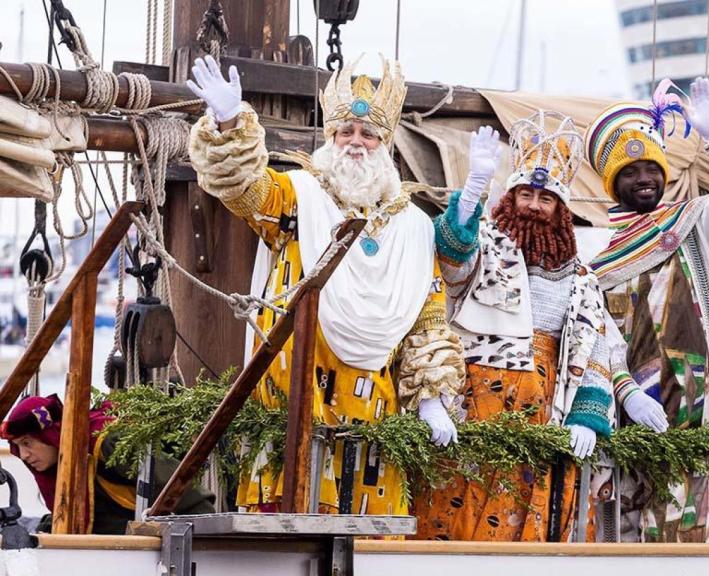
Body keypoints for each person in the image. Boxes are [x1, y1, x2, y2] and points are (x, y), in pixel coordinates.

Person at [185, 54, 465, 515]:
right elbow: (246, 192)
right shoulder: (300, 195)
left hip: (373, 402)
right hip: (295, 388)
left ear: (385, 142)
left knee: (366, 528)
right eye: (345, 132)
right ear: (331, 137)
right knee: (287, 507)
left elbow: (429, 318)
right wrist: (230, 120)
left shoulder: (415, 226)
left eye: (368, 133)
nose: (356, 142)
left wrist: (432, 399)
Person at [415, 111, 640, 542]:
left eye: (546, 199)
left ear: (560, 210)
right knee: (457, 513)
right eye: (526, 196)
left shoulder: (581, 278)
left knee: (529, 524)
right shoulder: (483, 245)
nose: (535, 206)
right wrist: (470, 195)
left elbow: (595, 350)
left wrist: (587, 418)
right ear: (511, 198)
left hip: (545, 414)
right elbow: (451, 261)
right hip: (474, 404)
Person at [585, 77, 709, 543]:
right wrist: (625, 392)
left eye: (650, 168)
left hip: (707, 409)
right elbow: (601, 339)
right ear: (613, 182)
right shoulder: (599, 265)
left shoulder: (696, 227)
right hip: (640, 421)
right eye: (630, 172)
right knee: (643, 535)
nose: (644, 180)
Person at [2, 394, 215, 534]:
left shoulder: (108, 444)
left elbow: (181, 487)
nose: (23, 455)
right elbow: (93, 520)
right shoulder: (56, 472)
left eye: (27, 443)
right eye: (17, 447)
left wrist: (212, 540)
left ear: (50, 435)